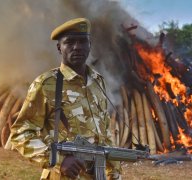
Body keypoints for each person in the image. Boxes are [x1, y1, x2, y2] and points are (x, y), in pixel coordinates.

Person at [10, 18, 121, 180]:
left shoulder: (98, 82)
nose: (77, 47)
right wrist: (58, 161)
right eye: (69, 42)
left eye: (83, 41)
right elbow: (20, 133)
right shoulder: (47, 84)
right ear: (59, 48)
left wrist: (114, 174)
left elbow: (105, 134)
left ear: (89, 45)